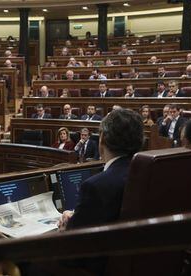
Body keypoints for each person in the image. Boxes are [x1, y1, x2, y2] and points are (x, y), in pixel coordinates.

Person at [59, 110, 144, 276]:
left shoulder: (96, 186)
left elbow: (71, 255)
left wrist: (65, 229)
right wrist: (79, 217)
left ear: (102, 138)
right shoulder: (146, 173)